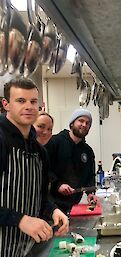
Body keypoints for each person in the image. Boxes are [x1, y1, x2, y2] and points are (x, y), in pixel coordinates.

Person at [0, 78, 69, 257]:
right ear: (6, 104)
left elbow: (40, 197)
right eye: (21, 101)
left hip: (25, 248)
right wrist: (20, 220)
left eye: (33, 101)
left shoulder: (39, 151)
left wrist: (53, 209)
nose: (29, 106)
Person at [46, 108, 97, 214]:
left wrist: (90, 193)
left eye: (88, 123)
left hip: (74, 207)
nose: (84, 125)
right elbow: (45, 168)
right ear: (72, 123)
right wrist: (58, 185)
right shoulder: (55, 142)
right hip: (52, 205)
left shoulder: (87, 151)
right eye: (81, 121)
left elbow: (90, 175)